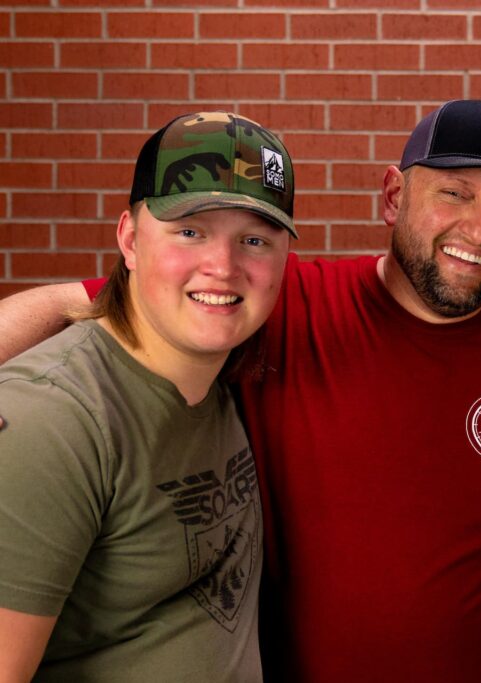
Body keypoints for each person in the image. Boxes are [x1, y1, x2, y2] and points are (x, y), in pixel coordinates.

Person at [0, 100, 481, 681]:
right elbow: (75, 304)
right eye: (454, 194)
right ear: (394, 196)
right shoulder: (277, 303)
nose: (480, 231)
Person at [0, 111, 296, 681]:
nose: (223, 267)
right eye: (190, 231)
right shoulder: (51, 422)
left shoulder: (220, 375)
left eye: (254, 240)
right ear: (131, 240)